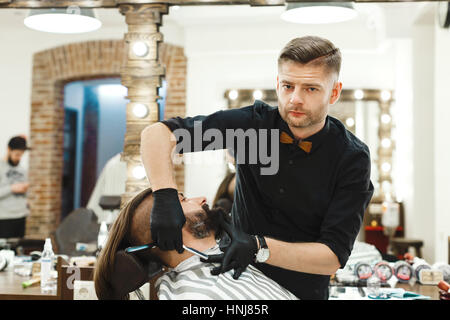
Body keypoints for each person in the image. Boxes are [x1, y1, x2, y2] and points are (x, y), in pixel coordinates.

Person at [140, 36, 374, 299]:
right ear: (277, 83)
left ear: (334, 92)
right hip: (235, 280)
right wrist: (165, 195)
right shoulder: (251, 126)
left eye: (310, 88)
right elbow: (157, 134)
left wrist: (258, 246)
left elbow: (332, 255)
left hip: (301, 292)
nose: (295, 99)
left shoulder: (352, 158)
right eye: (288, 86)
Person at [94, 187, 298, 300]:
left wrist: (257, 247)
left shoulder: (231, 258)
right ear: (167, 228)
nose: (201, 198)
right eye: (183, 200)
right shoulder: (196, 295)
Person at [0, 136, 30, 238]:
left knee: (19, 250)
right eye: (17, 154)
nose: (19, 158)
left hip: (21, 216)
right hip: (4, 217)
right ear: (9, 150)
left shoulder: (22, 170)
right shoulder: (1, 168)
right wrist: (12, 188)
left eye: (21, 155)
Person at [87, 152, 127, 224]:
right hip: (110, 219)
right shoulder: (113, 163)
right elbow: (97, 196)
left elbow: (94, 202)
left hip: (110, 219)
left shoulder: (112, 163)